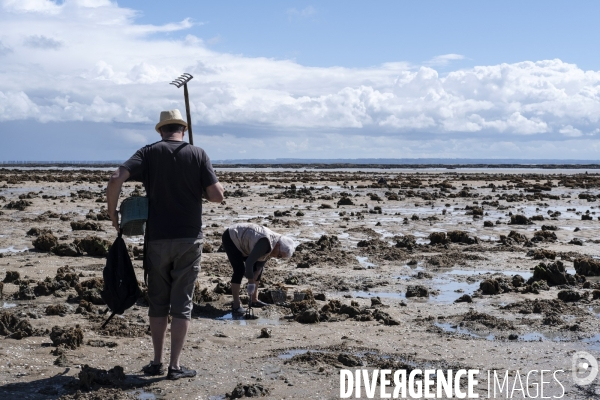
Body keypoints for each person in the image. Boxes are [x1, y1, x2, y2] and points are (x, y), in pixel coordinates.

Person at [106, 109, 224, 380]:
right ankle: (175, 367)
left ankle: (157, 361)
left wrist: (112, 212)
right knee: (182, 304)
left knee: (158, 303)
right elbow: (217, 196)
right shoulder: (198, 154)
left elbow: (116, 178)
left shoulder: (148, 153)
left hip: (156, 239)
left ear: (160, 130)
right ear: (183, 129)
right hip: (189, 239)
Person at [221, 223, 295, 314]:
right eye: (279, 255)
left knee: (258, 270)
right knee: (239, 270)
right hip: (232, 237)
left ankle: (254, 300)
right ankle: (236, 305)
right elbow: (249, 262)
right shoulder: (265, 243)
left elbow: (262, 260)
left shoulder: (275, 245)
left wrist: (257, 271)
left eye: (280, 257)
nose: (277, 257)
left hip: (248, 243)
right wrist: (251, 281)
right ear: (278, 246)